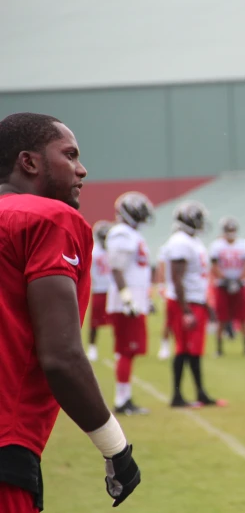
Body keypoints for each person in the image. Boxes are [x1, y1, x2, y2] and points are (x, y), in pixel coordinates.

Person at [0, 113, 140, 511]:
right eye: (70, 155)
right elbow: (61, 357)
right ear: (29, 162)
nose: (82, 169)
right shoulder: (47, 218)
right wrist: (116, 448)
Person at [164, 200, 225, 408]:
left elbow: (197, 277)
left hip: (195, 301)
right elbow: (176, 278)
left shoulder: (192, 241)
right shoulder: (180, 241)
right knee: (184, 349)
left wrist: (206, 304)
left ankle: (200, 392)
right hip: (186, 302)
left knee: (195, 349)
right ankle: (177, 396)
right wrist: (186, 309)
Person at [105, 191, 154, 415]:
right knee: (126, 350)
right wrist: (127, 298)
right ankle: (122, 401)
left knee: (130, 351)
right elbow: (116, 269)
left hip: (135, 300)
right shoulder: (122, 233)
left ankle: (124, 398)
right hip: (127, 303)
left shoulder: (131, 234)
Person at [209, 216, 245, 356]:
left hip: (239, 284)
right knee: (222, 318)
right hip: (222, 286)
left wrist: (239, 279)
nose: (230, 232)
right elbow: (214, 266)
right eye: (228, 229)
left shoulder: (243, 244)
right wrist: (226, 279)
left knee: (243, 318)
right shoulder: (217, 245)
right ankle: (219, 348)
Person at [87, 220, 113, 362]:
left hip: (112, 290)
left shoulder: (112, 250)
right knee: (95, 322)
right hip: (99, 290)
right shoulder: (94, 251)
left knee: (117, 321)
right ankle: (92, 347)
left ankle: (118, 348)